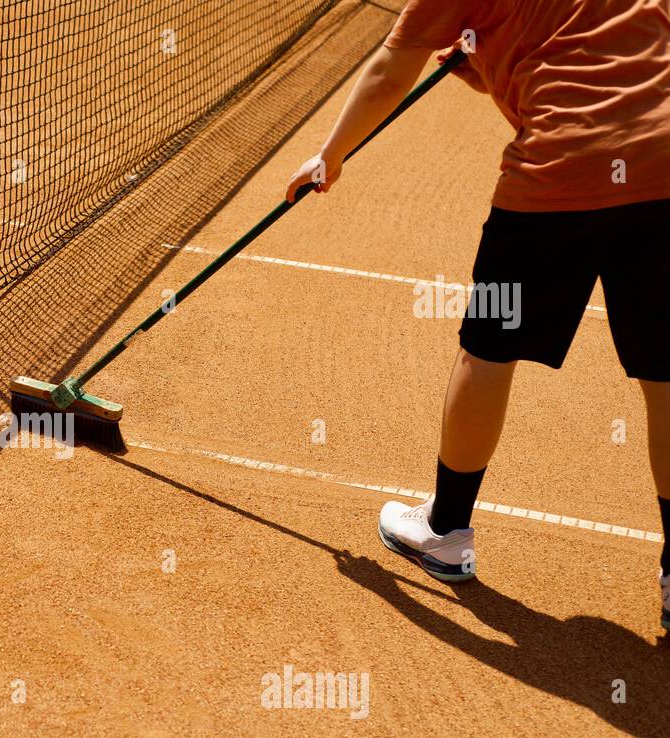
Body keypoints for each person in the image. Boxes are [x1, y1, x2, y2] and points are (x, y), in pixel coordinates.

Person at [285, 0, 670, 629]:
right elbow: (614, 56)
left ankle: (445, 529)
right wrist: (495, 62)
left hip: (557, 181)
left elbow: (389, 70)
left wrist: (330, 155)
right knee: (667, 376)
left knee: (489, 350)